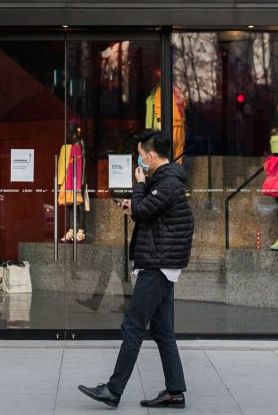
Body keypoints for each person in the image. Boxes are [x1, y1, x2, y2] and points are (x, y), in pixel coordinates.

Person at [78, 129, 194, 409]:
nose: (139, 160)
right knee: (163, 330)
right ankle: (175, 391)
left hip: (157, 264)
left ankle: (113, 390)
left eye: (141, 155)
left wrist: (139, 186)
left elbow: (144, 211)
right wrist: (137, 203)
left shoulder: (166, 182)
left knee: (132, 326)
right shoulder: (165, 181)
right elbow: (149, 213)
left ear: (151, 155)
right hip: (160, 262)